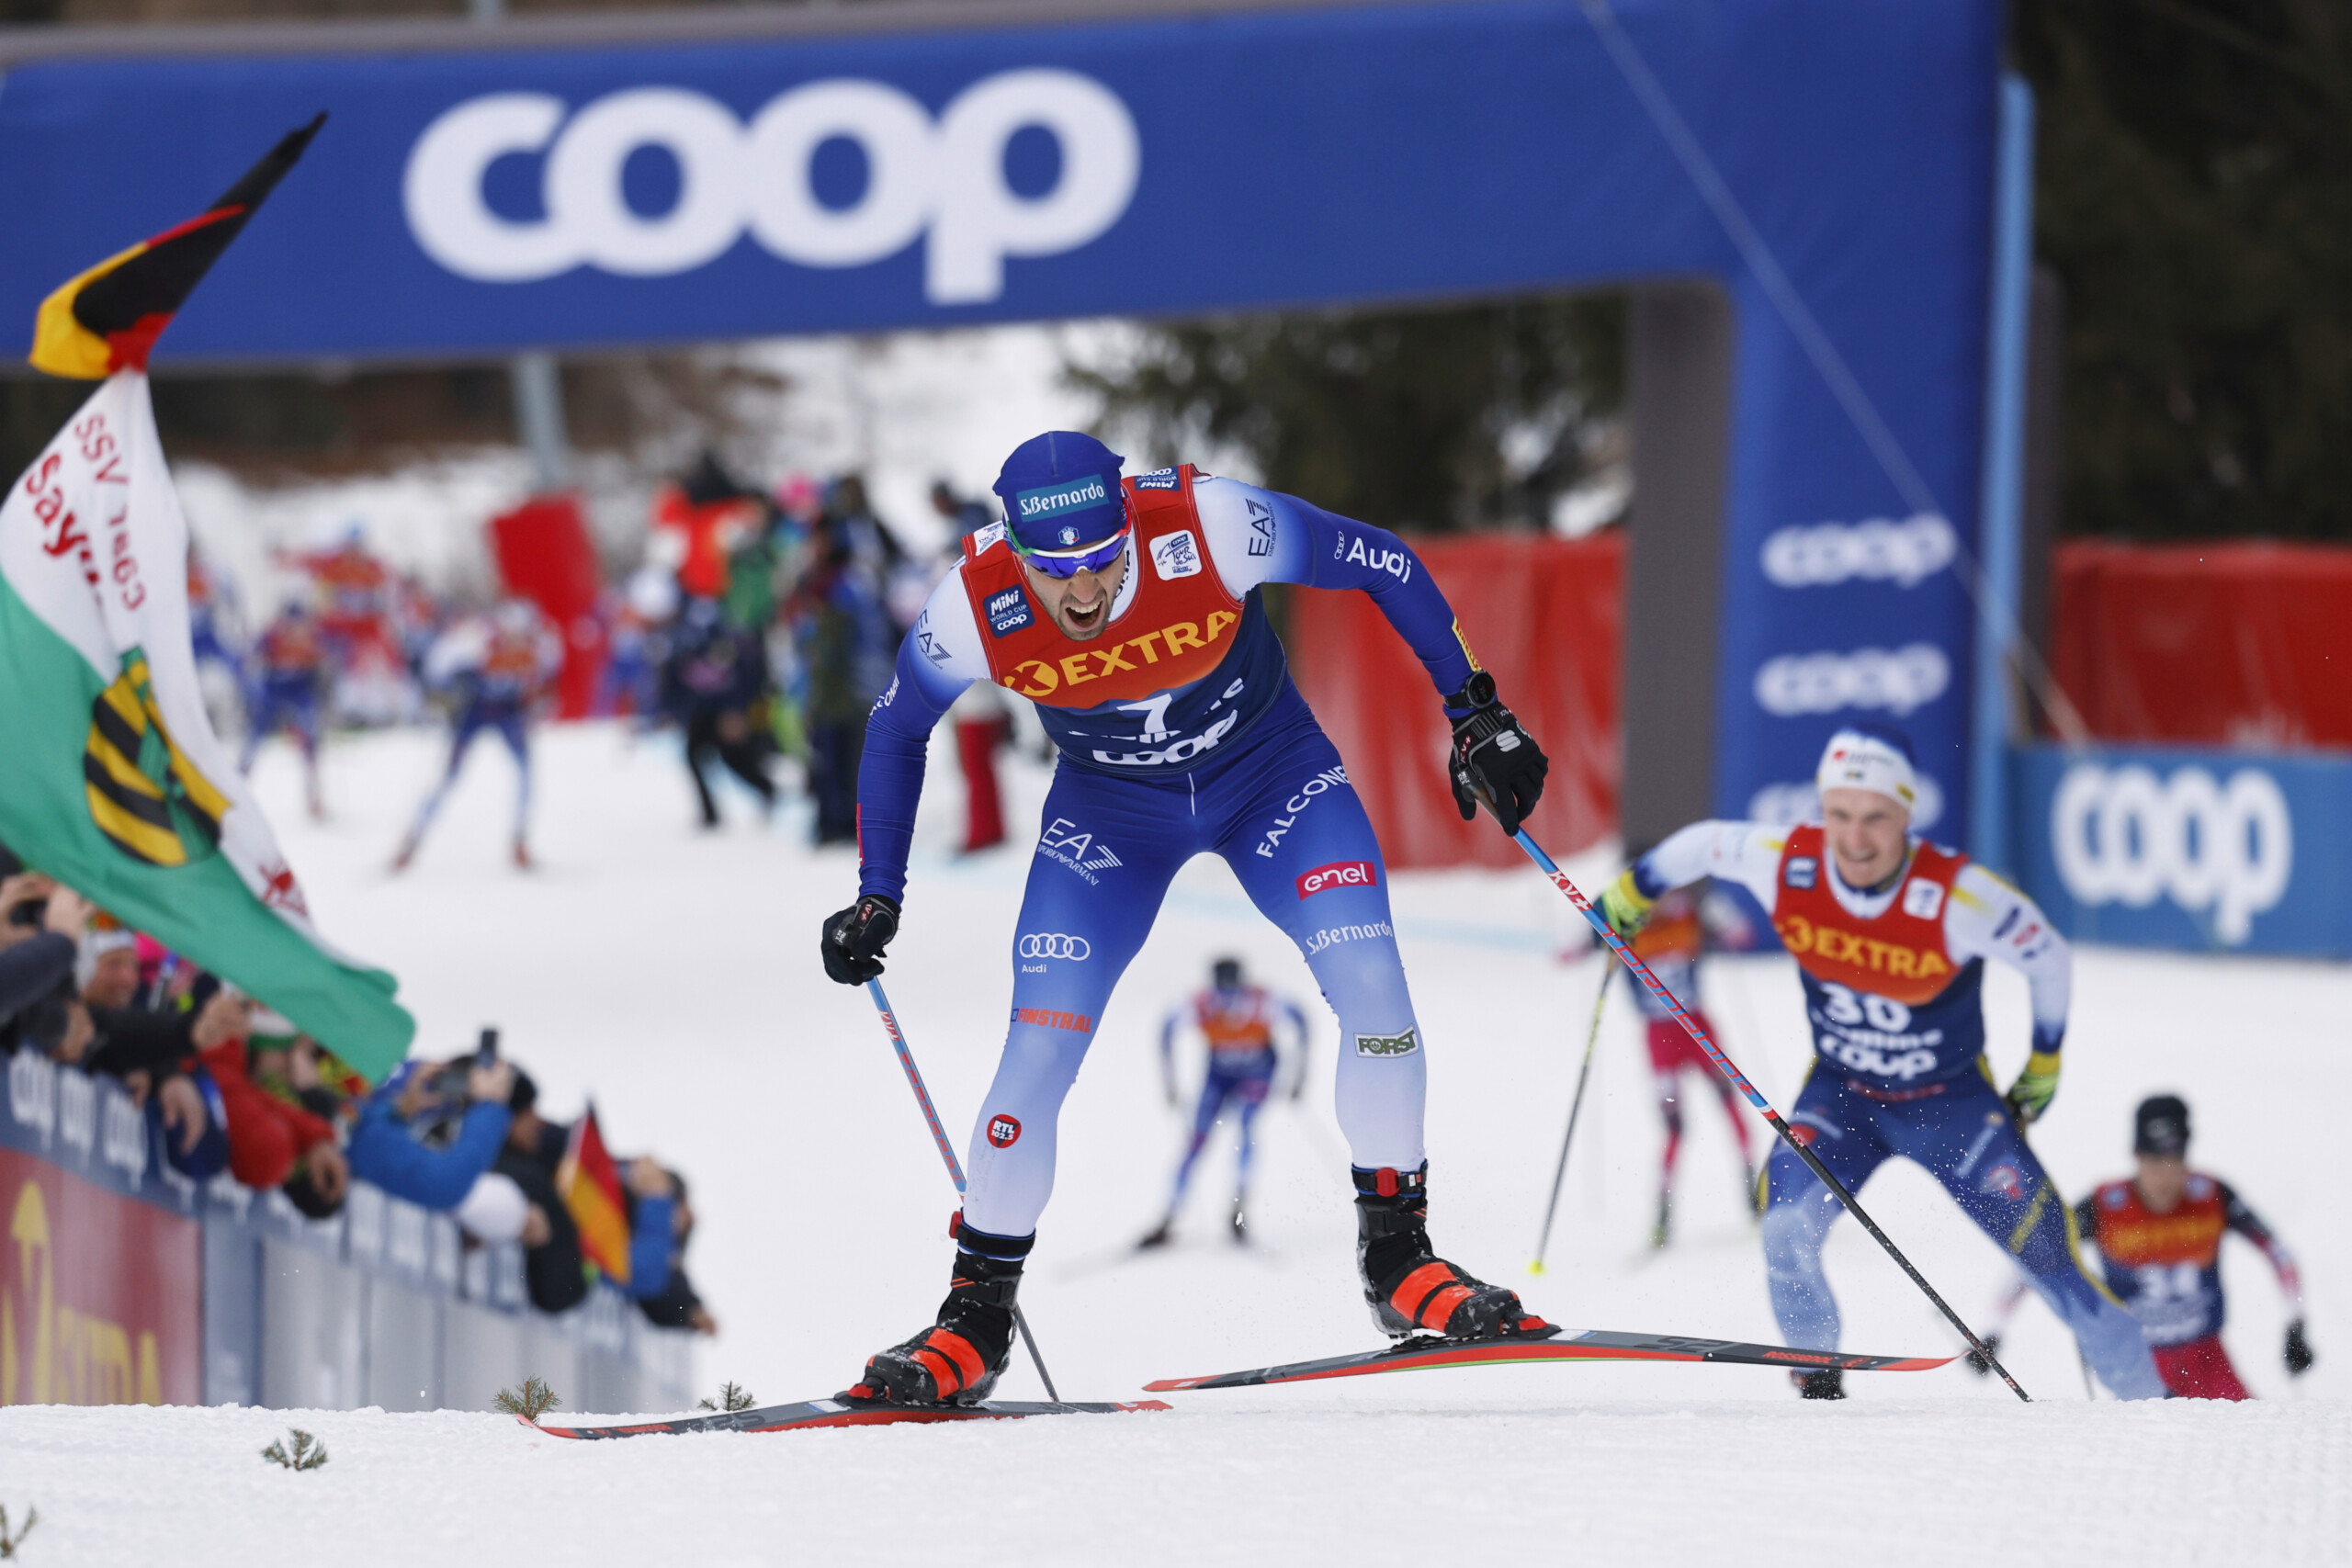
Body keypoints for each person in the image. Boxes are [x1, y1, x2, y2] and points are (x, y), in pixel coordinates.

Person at [820, 432, 1554, 1406]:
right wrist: (879, 891)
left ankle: (1400, 1261)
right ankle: (975, 1318)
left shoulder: (1208, 526)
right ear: (1015, 551)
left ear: (1130, 523)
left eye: (1102, 563)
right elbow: (897, 726)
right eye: (1054, 574)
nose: (1080, 596)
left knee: (1374, 991)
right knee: (1034, 1052)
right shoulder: (974, 605)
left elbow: (1383, 559)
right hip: (1110, 819)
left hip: (1273, 781)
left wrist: (1473, 710)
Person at [1598, 725, 2165, 1401]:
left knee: (2053, 1263)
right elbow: (1701, 843)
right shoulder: (1788, 861)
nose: (1855, 837)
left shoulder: (1960, 895)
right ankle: (1816, 1384)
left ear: (1906, 815)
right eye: (1838, 814)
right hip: (1844, 1099)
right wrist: (1635, 890)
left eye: (1875, 817)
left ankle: (2155, 1410)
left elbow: (2048, 957)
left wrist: (2043, 1060)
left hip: (1950, 1105)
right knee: (1782, 1228)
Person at [2072, 1095, 2312, 1400]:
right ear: (2137, 1155)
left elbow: (2277, 1251)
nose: (2167, 1176)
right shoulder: (2104, 1205)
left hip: (2207, 1360)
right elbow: (2038, 1255)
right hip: (2140, 1366)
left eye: (2177, 1161)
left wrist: (2295, 1320)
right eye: (2155, 1162)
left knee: (2254, 1440)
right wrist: (1994, 1329)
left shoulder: (2211, 1194)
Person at [1139, 957, 1310, 1248]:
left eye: (1233, 987)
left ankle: (1238, 1210)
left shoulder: (1263, 1000)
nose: (1228, 996)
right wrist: (1169, 1081)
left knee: (1245, 1129)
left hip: (1257, 1074)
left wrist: (1300, 1074)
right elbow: (1166, 1030)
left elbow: (1301, 1022)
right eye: (1223, 988)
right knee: (1196, 1141)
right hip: (1218, 1078)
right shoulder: (1201, 1003)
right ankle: (1168, 1215)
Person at [1626, 883, 1759, 1248]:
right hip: (1660, 1039)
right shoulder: (1625, 925)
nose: (1659, 903)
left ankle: (1754, 1192)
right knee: (1674, 1127)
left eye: (1664, 894)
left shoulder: (1688, 912)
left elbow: (1741, 935)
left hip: (1697, 1028)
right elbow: (1566, 952)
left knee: (1730, 1103)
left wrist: (1717, 912)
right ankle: (1663, 1214)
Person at [394, 599, 562, 871]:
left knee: (525, 773)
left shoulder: (542, 646)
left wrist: (539, 701)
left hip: (509, 712)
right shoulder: (476, 642)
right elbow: (438, 668)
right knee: (448, 778)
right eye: (511, 633)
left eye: (521, 633)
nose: (515, 639)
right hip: (473, 712)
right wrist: (451, 690)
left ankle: (520, 840)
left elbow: (548, 679)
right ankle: (412, 839)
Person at [240, 601, 329, 818]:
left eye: (299, 623)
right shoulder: (273, 635)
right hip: (275, 688)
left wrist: (322, 690)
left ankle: (314, 794)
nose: (295, 629)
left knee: (310, 738)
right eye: (291, 623)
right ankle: (238, 785)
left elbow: (320, 666)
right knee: (256, 736)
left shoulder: (312, 636)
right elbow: (253, 657)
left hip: (299, 690)